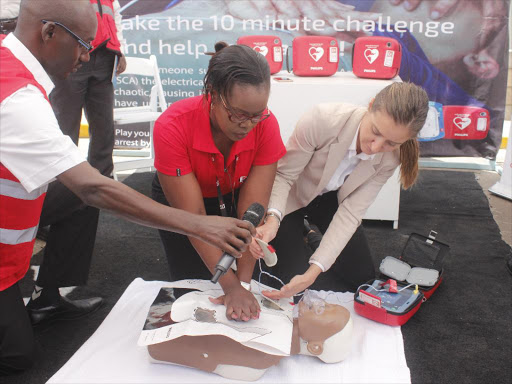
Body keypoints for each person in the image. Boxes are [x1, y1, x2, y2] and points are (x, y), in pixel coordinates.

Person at [0, 0, 254, 375]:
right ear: (49, 32)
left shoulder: (13, 63)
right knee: (19, 357)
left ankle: (49, 294)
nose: (88, 57)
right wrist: (198, 224)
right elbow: (94, 190)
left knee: (79, 184)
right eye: (84, 44)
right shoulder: (19, 99)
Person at [249, 82, 429, 299]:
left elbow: (351, 212)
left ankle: (312, 235)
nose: (374, 147)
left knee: (362, 279)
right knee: (288, 283)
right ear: (370, 106)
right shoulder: (322, 119)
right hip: (294, 194)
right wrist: (272, 220)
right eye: (375, 131)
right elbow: (284, 176)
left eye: (390, 143)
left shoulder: (392, 157)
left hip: (331, 200)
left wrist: (314, 271)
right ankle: (302, 229)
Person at [151, 42, 286, 322]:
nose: (248, 124)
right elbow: (195, 218)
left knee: (252, 281)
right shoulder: (172, 126)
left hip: (234, 195)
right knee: (196, 289)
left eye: (256, 114)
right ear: (213, 94)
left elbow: (253, 211)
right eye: (238, 114)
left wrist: (244, 285)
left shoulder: (266, 124)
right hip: (185, 206)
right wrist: (230, 285)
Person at [26, 0, 128, 322]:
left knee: (96, 163)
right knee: (64, 155)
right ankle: (46, 221)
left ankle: (49, 293)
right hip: (71, 48)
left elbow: (113, 16)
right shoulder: (19, 78)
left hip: (104, 54)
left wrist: (117, 48)